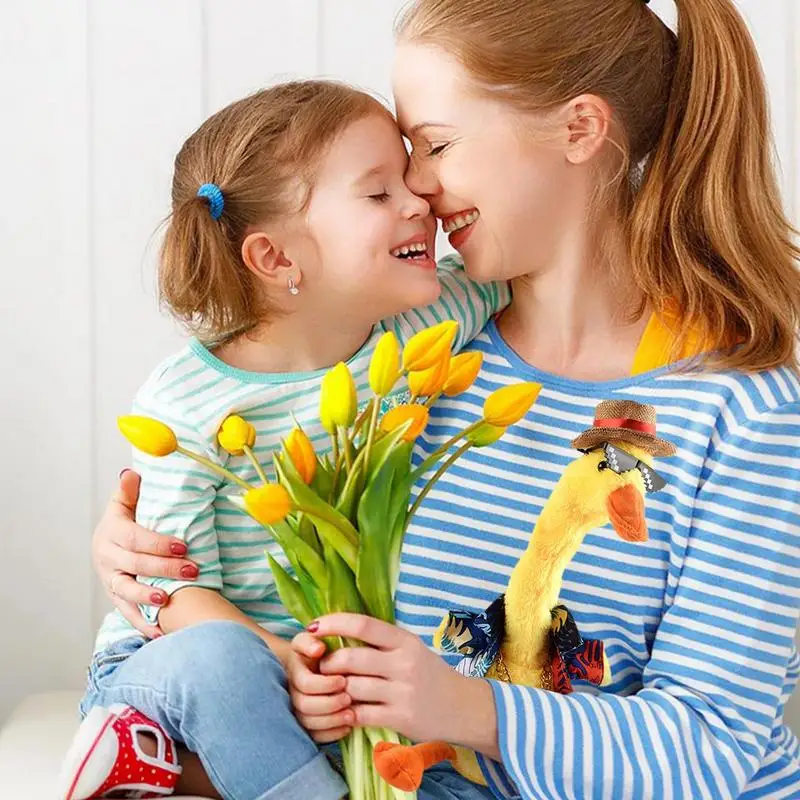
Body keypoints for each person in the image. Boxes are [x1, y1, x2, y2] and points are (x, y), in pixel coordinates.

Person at [92, 0, 800, 797]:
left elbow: (713, 743)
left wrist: (466, 708)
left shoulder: (745, 413)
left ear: (578, 130)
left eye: (434, 146)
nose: (418, 189)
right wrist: (144, 562)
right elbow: (260, 524)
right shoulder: (403, 363)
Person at [58, 79, 507, 800]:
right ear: (276, 259)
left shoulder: (422, 328)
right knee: (223, 664)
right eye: (378, 193)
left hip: (319, 696)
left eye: (407, 176)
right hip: (180, 675)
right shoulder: (187, 405)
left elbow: (532, 267)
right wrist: (283, 663)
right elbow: (170, 592)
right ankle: (145, 752)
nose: (419, 199)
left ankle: (167, 780)